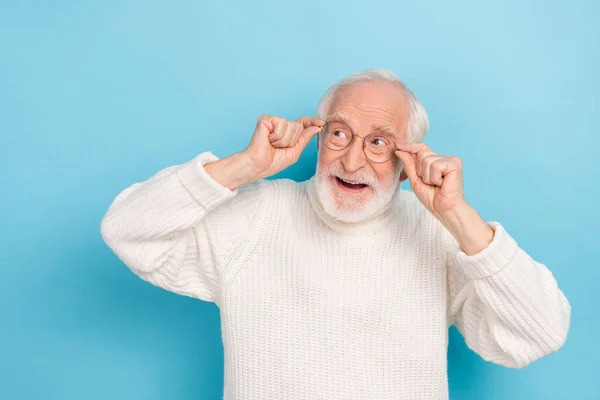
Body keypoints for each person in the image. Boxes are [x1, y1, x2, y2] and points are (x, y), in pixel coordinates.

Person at [100, 69, 571, 399]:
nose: (351, 162)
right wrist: (245, 167)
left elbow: (539, 333)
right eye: (340, 134)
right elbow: (127, 230)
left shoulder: (436, 232)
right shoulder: (259, 214)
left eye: (379, 142)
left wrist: (458, 214)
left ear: (409, 161)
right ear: (320, 138)